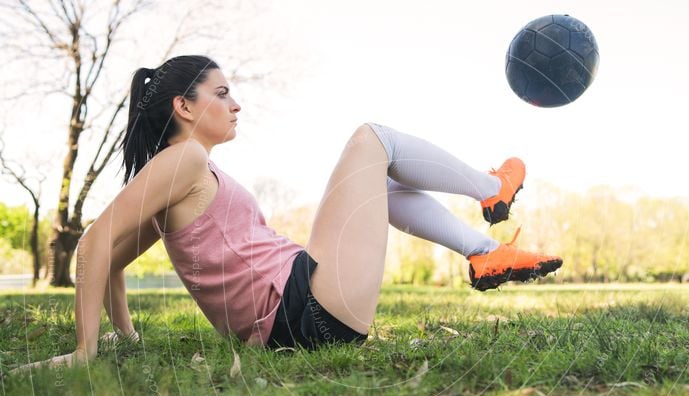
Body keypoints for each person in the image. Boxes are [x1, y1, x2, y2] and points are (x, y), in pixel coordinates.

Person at [10, 54, 562, 374]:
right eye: (221, 93)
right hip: (305, 311)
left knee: (380, 180)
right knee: (375, 140)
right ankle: (492, 191)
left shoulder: (174, 175)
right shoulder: (186, 159)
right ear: (184, 106)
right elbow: (94, 243)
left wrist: (125, 337)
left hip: (303, 310)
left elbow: (110, 258)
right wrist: (85, 351)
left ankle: (487, 253)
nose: (235, 104)